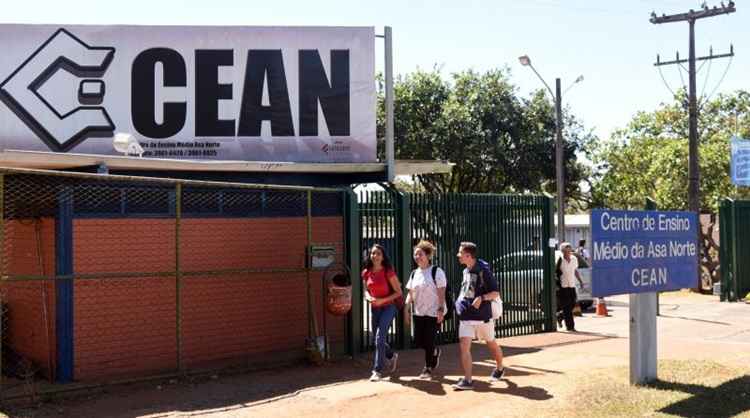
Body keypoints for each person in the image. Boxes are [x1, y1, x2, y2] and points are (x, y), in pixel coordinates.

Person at [452, 242, 505, 391]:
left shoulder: (483, 270)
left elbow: (495, 293)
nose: (458, 255)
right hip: (466, 316)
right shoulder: (465, 271)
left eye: (460, 253)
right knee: (464, 347)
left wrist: (482, 298)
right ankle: (468, 380)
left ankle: (500, 368)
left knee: (491, 344)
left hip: (482, 317)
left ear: (468, 255)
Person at [405, 240, 446, 380]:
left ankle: (428, 368)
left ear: (428, 255)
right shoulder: (414, 273)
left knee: (429, 340)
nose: (417, 257)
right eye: (415, 254)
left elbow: (441, 291)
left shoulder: (436, 271)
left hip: (433, 312)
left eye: (420, 254)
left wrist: (440, 309)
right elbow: (410, 293)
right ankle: (435, 351)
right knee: (419, 341)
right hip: (419, 312)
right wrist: (406, 309)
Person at [362, 244, 402, 381]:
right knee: (377, 339)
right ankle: (391, 355)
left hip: (389, 307)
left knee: (379, 337)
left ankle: (377, 370)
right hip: (375, 307)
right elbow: (366, 290)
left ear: (383, 256)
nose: (375, 256)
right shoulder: (366, 272)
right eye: (373, 253)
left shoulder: (388, 272)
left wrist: (382, 300)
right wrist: (368, 297)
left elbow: (399, 292)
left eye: (378, 253)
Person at [556, 242, 585, 331]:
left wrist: (580, 281)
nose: (569, 251)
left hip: (572, 285)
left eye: (569, 249)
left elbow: (575, 271)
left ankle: (560, 315)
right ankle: (570, 326)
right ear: (563, 250)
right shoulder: (560, 260)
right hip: (563, 286)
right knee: (567, 307)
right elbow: (556, 272)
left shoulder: (574, 259)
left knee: (572, 304)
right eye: (567, 249)